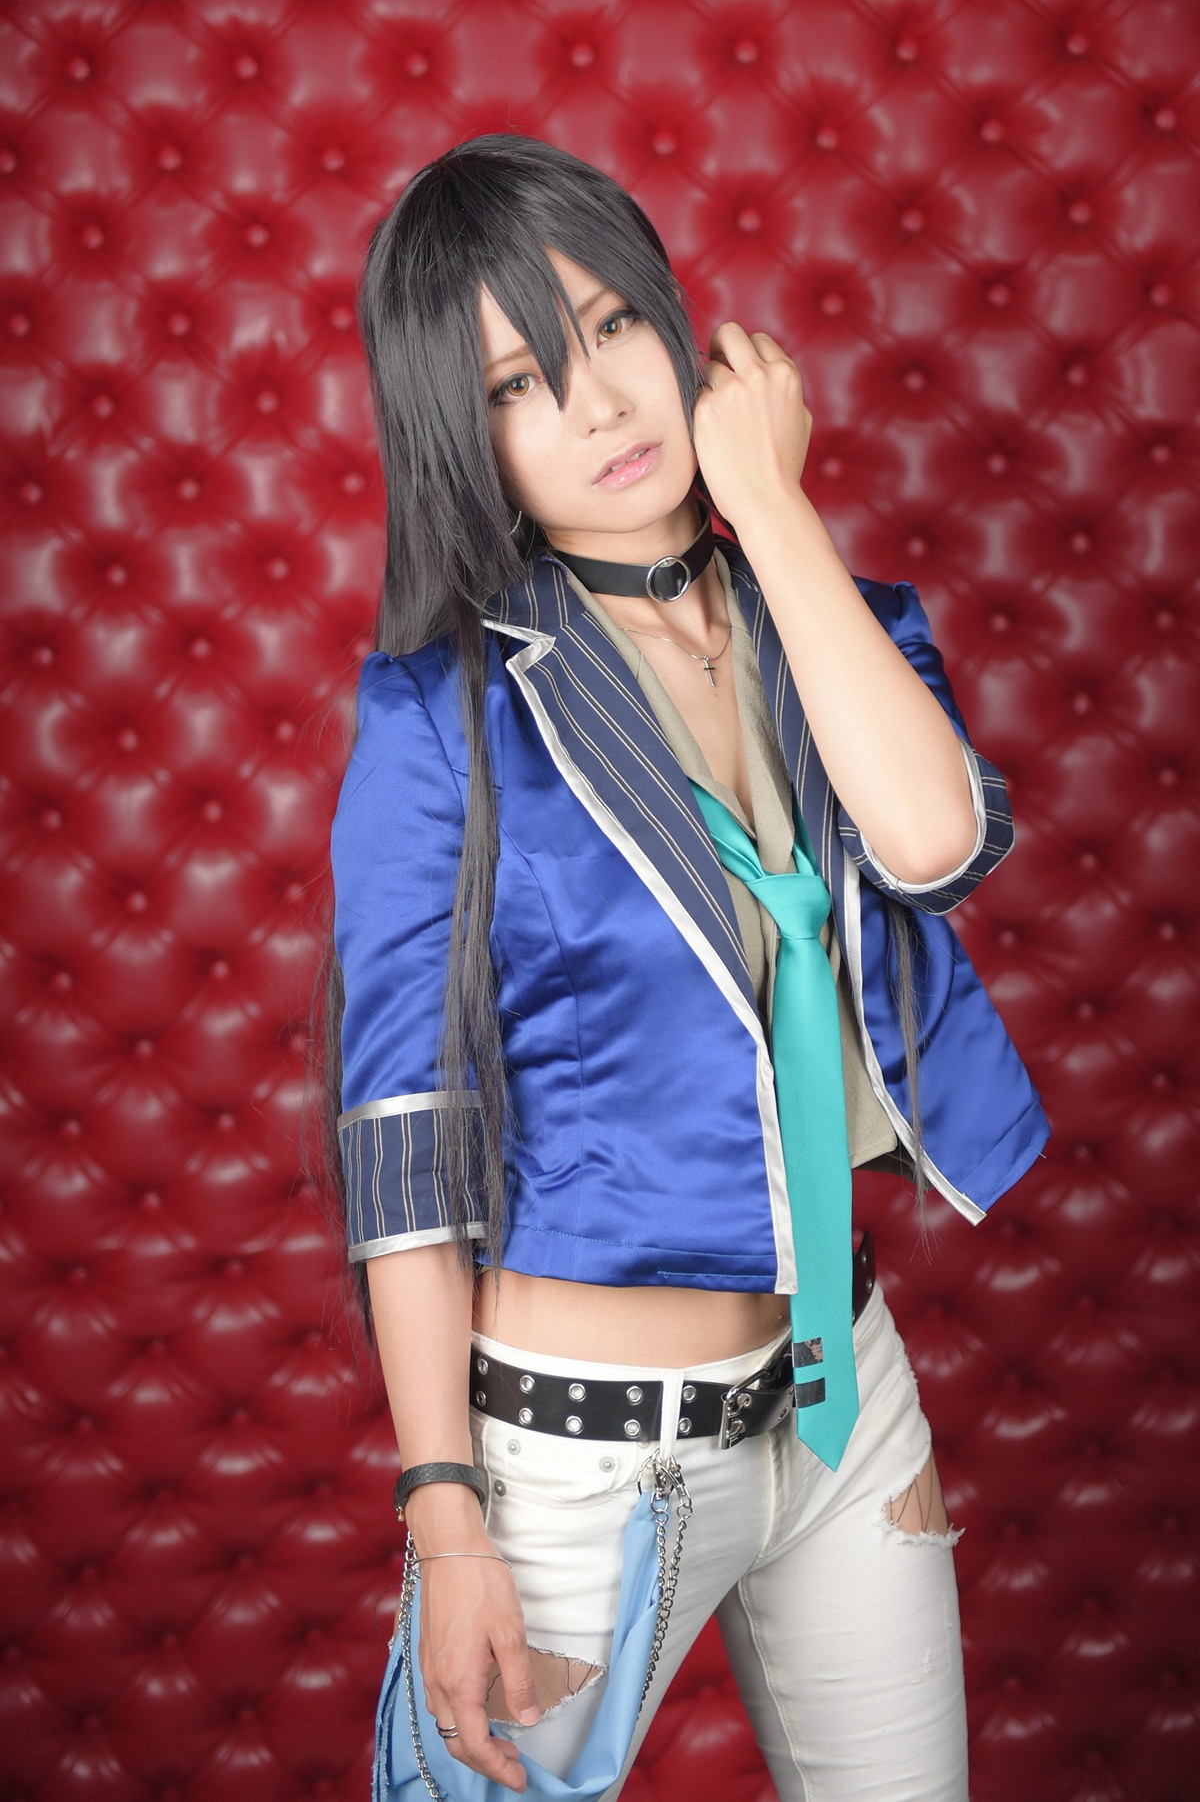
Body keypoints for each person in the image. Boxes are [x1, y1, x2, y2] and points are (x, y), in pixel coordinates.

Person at [318, 131, 1049, 1802]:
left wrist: (771, 505)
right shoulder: (444, 715)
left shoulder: (833, 617)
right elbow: (406, 1147)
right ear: (463, 437)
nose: (597, 405)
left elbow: (936, 844)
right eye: (519, 384)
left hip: (844, 1401)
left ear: (678, 326)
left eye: (612, 331)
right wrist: (447, 1517)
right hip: (580, 1461)